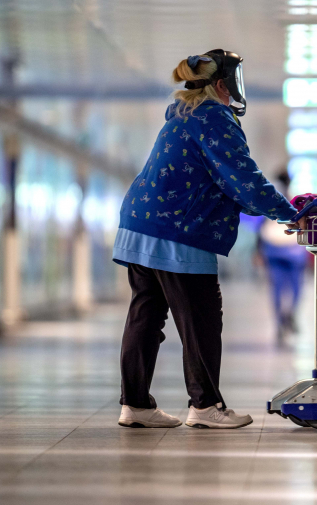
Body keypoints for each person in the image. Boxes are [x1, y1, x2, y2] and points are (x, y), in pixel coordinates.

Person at [112, 50, 301, 429]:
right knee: (200, 318)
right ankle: (206, 405)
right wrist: (291, 215)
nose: (234, 95)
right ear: (220, 85)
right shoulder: (214, 117)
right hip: (177, 232)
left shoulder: (181, 117)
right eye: (233, 86)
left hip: (140, 225)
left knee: (145, 317)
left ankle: (135, 404)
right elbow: (243, 178)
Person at [255, 171, 308, 347]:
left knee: (277, 289)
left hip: (273, 249)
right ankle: (289, 314)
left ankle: (280, 322)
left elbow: (260, 229)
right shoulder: (296, 203)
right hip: (293, 250)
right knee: (296, 287)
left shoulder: (269, 203)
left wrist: (258, 251)